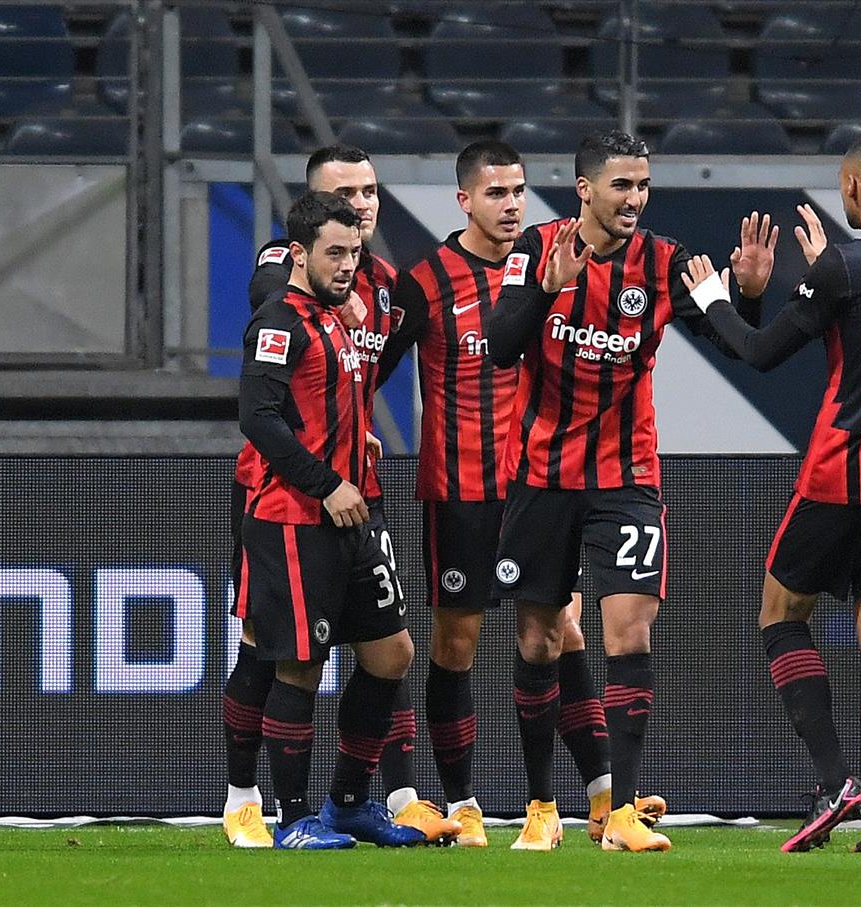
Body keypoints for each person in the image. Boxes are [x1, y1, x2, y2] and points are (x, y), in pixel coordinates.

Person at [486, 130, 773, 852]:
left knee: (629, 631)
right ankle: (542, 804)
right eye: (621, 185)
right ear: (585, 189)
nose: (635, 199)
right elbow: (499, 345)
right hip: (543, 474)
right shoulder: (537, 249)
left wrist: (751, 294)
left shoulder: (667, 263)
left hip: (627, 476)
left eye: (643, 185)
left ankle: (620, 813)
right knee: (538, 637)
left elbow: (739, 344)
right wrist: (547, 289)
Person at [681, 134, 861, 855]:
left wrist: (715, 297)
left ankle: (837, 779)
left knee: (781, 614)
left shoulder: (844, 266)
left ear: (850, 185)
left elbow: (761, 352)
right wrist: (829, 278)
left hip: (843, 473)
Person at [380, 140, 651, 847]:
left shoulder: (562, 260)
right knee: (458, 641)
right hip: (464, 486)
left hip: (544, 481)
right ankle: (464, 803)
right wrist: (350, 437)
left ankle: (601, 794)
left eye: (520, 191)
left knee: (563, 629)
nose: (511, 206)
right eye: (496, 193)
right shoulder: (427, 282)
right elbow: (367, 370)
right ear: (464, 200)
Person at [224, 146, 458, 846]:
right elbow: (257, 415)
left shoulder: (360, 299)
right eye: (334, 249)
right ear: (303, 249)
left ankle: (352, 801)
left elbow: (352, 382)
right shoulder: (282, 307)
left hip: (358, 504)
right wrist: (327, 479)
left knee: (391, 653)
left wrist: (355, 438)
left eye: (354, 250)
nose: (348, 260)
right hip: (293, 511)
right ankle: (279, 813)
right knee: (288, 657)